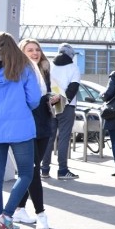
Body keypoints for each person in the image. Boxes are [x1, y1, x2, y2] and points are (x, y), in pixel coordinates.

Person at [0, 32, 42, 229]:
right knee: (26, 173)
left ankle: (0, 222)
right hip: (21, 128)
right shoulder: (25, 67)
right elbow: (34, 99)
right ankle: (6, 216)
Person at [13, 38, 56, 229]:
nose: (35, 53)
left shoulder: (45, 71)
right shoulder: (18, 72)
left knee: (31, 169)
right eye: (29, 50)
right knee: (32, 170)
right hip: (26, 126)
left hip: (44, 124)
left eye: (37, 50)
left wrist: (54, 98)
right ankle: (41, 215)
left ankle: (19, 209)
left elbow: (46, 95)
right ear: (21, 52)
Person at [41, 43, 81, 180]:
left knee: (49, 138)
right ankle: (62, 170)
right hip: (67, 105)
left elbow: (45, 86)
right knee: (63, 137)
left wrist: (54, 101)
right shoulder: (73, 68)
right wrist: (62, 102)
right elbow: (73, 88)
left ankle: (44, 169)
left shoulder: (50, 66)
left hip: (50, 103)